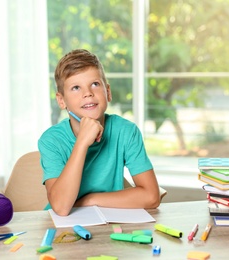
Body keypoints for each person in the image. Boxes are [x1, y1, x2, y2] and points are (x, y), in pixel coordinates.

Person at [38, 49, 160, 216]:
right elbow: (60, 207)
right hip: (62, 225)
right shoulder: (50, 140)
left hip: (107, 220)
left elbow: (152, 196)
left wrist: (90, 200)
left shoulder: (126, 131)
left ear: (107, 92)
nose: (87, 93)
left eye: (95, 84)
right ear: (61, 100)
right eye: (75, 87)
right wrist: (81, 143)